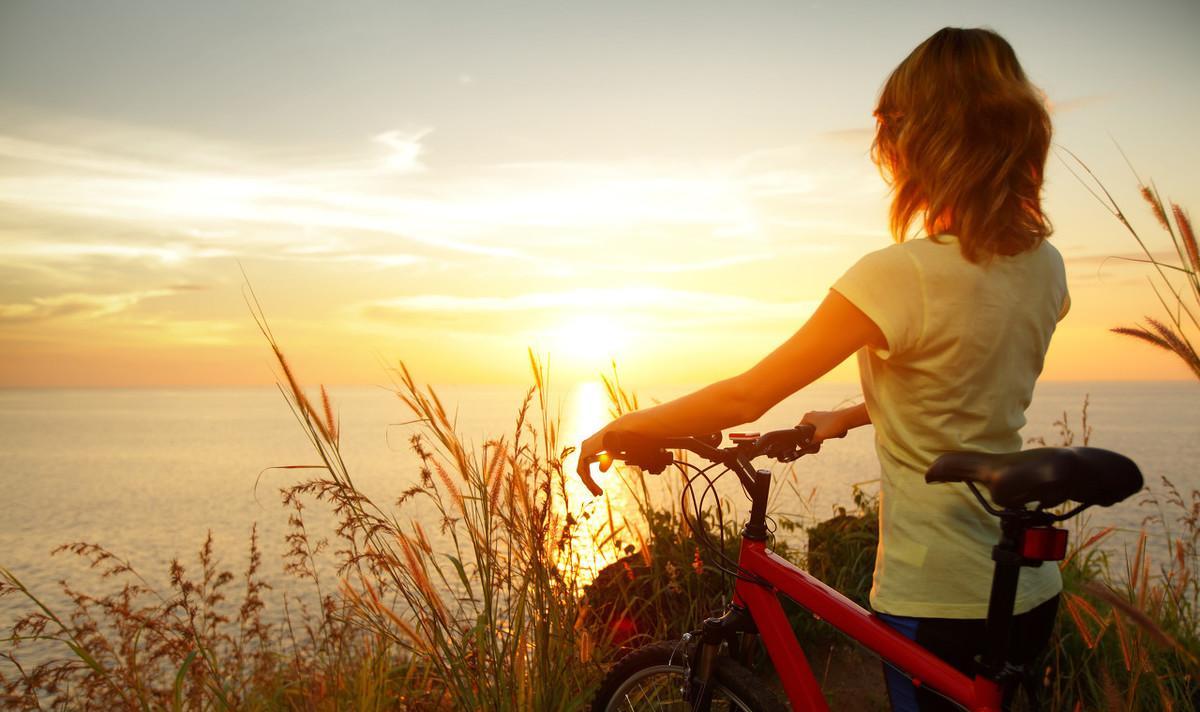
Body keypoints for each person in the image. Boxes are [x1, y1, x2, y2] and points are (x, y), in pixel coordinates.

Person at [576, 26, 1068, 712]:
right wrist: (845, 415)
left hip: (938, 595)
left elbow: (747, 395)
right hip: (1028, 590)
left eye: (894, 125)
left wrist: (625, 425)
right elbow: (965, 379)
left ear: (928, 137)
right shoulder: (1045, 267)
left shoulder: (901, 275)